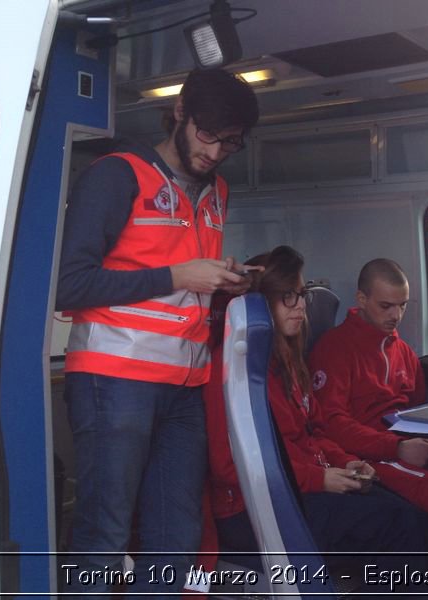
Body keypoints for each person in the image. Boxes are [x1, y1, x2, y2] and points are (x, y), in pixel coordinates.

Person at [56, 68, 259, 595]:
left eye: (230, 142)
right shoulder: (116, 175)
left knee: (177, 535)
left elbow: (181, 289)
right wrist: (179, 275)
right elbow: (66, 286)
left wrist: (222, 285)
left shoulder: (218, 191)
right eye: (207, 134)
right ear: (180, 115)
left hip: (185, 385)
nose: (215, 151)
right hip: (114, 379)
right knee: (106, 532)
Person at [203, 246, 428, 594]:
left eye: (300, 296)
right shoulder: (230, 372)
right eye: (288, 298)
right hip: (249, 510)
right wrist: (320, 479)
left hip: (301, 487)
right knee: (397, 526)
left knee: (418, 518)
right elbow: (230, 467)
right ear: (259, 304)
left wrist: (347, 462)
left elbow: (315, 432)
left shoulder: (288, 364)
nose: (300, 307)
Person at [308, 258, 428, 597]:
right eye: (386, 306)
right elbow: (331, 424)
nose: (395, 315)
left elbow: (416, 410)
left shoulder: (405, 353)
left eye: (402, 306)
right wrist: (397, 448)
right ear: (361, 299)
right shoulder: (335, 349)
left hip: (407, 444)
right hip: (370, 455)